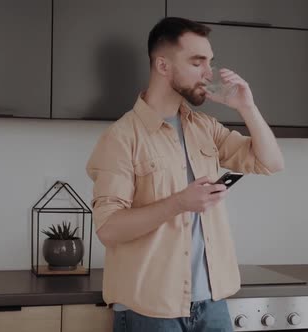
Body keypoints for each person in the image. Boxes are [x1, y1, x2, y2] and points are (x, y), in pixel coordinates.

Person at [86, 16, 284, 332]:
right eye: (197, 62)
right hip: (150, 312)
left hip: (212, 305)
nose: (209, 72)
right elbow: (109, 228)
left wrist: (246, 107)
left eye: (210, 61)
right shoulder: (121, 138)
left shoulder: (204, 127)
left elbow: (270, 163)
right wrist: (179, 203)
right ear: (163, 66)